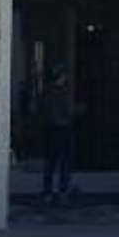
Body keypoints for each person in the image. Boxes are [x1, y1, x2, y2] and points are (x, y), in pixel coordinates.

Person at [41, 63, 74, 204]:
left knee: (50, 163)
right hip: (61, 130)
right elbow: (65, 112)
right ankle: (63, 192)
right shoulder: (60, 94)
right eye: (64, 75)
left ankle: (48, 192)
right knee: (64, 163)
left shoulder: (46, 93)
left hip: (50, 130)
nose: (65, 78)